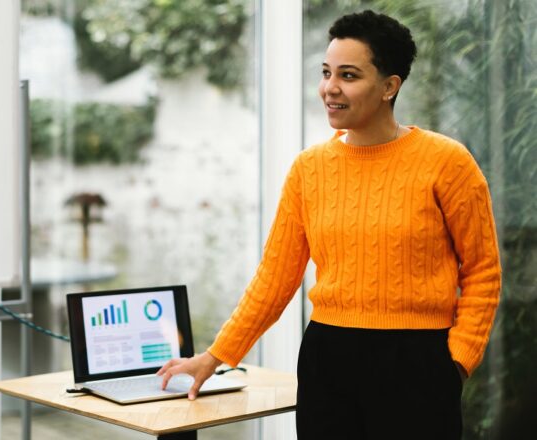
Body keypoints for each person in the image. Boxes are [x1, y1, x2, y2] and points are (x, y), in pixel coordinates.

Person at [156, 10, 501, 440]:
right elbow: (274, 279)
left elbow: (483, 271)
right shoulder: (309, 169)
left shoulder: (447, 162)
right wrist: (215, 356)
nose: (329, 88)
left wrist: (457, 361)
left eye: (349, 75)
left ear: (390, 86)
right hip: (329, 359)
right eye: (326, 73)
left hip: (418, 363)